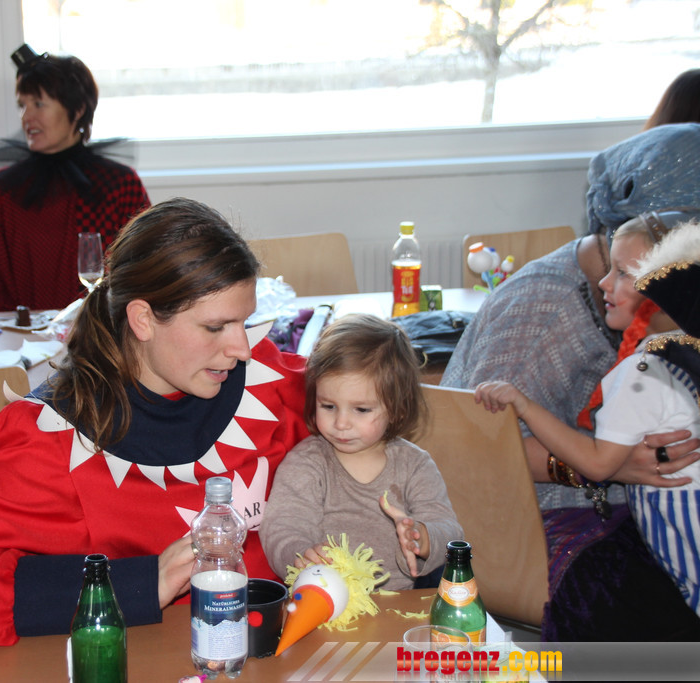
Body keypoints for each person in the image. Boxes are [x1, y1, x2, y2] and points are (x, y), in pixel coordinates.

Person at [0, 197, 310, 651]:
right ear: (143, 319)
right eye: (215, 327)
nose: (242, 348)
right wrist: (135, 584)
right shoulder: (52, 441)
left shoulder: (267, 382)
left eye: (244, 322)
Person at [443, 123, 700, 641]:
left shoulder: (651, 313)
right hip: (532, 524)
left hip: (624, 506)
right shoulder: (540, 319)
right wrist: (606, 464)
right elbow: (476, 449)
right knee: (660, 616)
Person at [476, 219, 700, 615]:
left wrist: (525, 405)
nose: (603, 282)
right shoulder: (675, 355)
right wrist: (620, 464)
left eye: (625, 273)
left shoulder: (644, 370)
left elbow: (598, 462)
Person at [260, 315, 461, 590]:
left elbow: (449, 530)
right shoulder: (306, 463)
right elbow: (282, 527)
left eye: (361, 409)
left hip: (399, 604)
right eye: (328, 406)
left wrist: (423, 537)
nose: (341, 423)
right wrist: (299, 554)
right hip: (324, 602)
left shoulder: (414, 465)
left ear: (397, 409)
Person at [0, 44, 151, 313]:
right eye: (22, 105)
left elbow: (144, 271)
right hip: (17, 335)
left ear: (78, 109)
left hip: (98, 333)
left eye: (39, 104)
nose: (27, 117)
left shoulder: (120, 186)